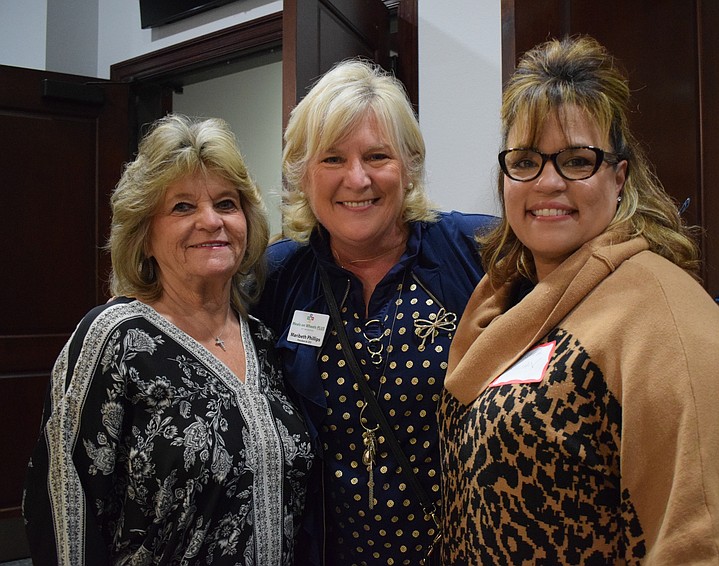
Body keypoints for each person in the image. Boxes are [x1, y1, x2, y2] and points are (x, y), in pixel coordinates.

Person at [439, 37, 719, 564]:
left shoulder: (664, 316)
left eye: (577, 160)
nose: (548, 182)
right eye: (526, 160)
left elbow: (709, 540)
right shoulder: (505, 292)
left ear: (619, 178)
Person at [23, 114, 314, 565]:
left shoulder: (263, 339)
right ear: (144, 236)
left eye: (226, 203)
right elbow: (64, 506)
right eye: (182, 207)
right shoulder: (113, 339)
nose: (210, 221)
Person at [253, 59, 494, 565]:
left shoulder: (476, 251)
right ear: (302, 174)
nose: (357, 179)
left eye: (377, 156)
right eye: (333, 159)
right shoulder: (276, 278)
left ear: (408, 166)